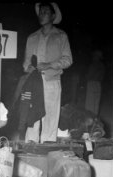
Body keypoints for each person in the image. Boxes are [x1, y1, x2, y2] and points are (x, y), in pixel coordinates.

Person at [23, 2, 73, 143]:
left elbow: (68, 59)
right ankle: (30, 145)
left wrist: (49, 65)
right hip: (34, 82)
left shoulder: (61, 36)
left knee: (50, 117)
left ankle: (47, 145)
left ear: (53, 16)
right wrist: (28, 68)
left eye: (45, 12)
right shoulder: (32, 37)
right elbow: (26, 62)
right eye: (40, 12)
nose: (42, 15)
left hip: (52, 81)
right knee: (32, 116)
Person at [85, 50, 105, 116]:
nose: (93, 57)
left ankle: (89, 120)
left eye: (94, 56)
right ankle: (95, 120)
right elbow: (102, 77)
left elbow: (89, 76)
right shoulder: (102, 66)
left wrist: (86, 76)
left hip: (91, 84)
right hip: (98, 85)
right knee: (96, 104)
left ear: (96, 57)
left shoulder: (93, 65)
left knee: (89, 104)